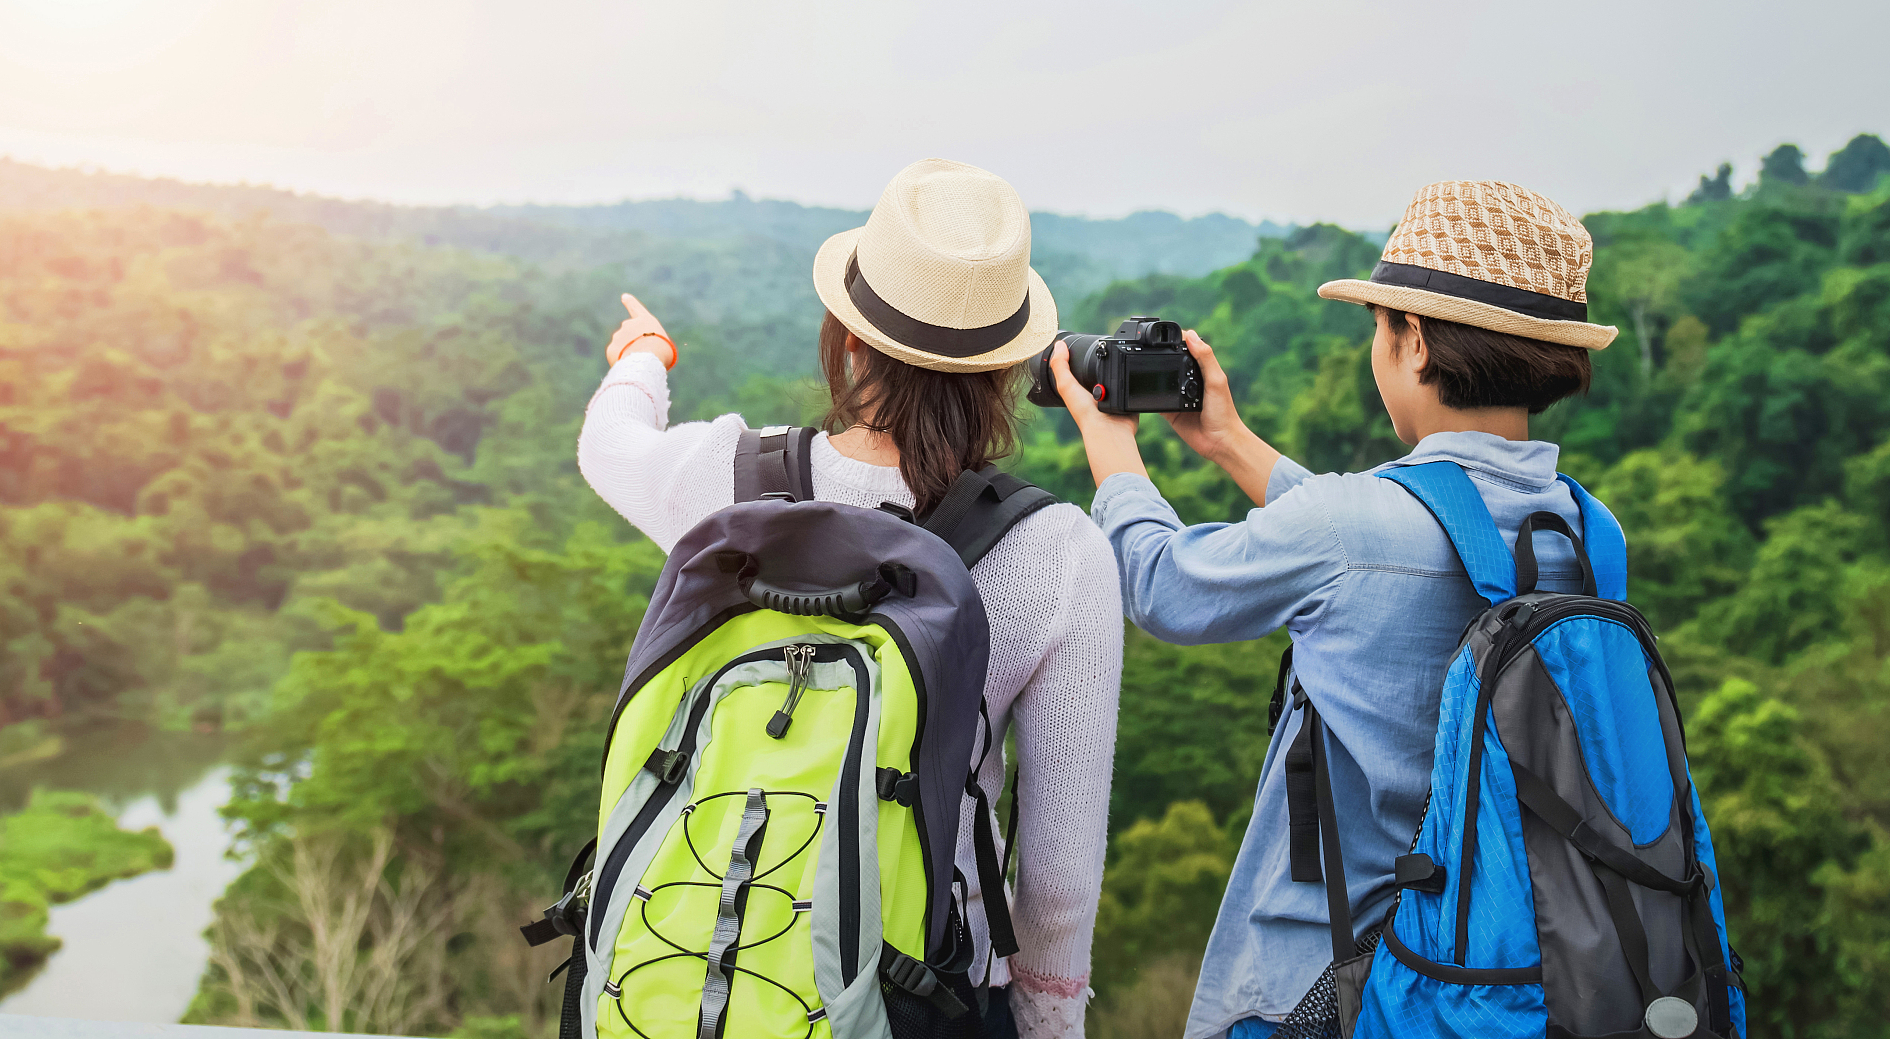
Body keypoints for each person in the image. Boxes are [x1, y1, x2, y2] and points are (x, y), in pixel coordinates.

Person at [1045, 180, 1619, 1039]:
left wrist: (1114, 456)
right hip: (1521, 967)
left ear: (1414, 341)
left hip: (1330, 982)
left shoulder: (1353, 529)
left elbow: (1166, 587)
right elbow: (1414, 545)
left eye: (1381, 330)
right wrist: (1230, 442)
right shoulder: (1586, 528)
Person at [577, 158, 1123, 1039]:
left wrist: (643, 357)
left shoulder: (725, 482)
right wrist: (1045, 1023)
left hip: (698, 977)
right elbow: (1057, 886)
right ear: (1004, 367)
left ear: (848, 334)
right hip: (923, 992)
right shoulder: (1057, 552)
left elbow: (608, 444)